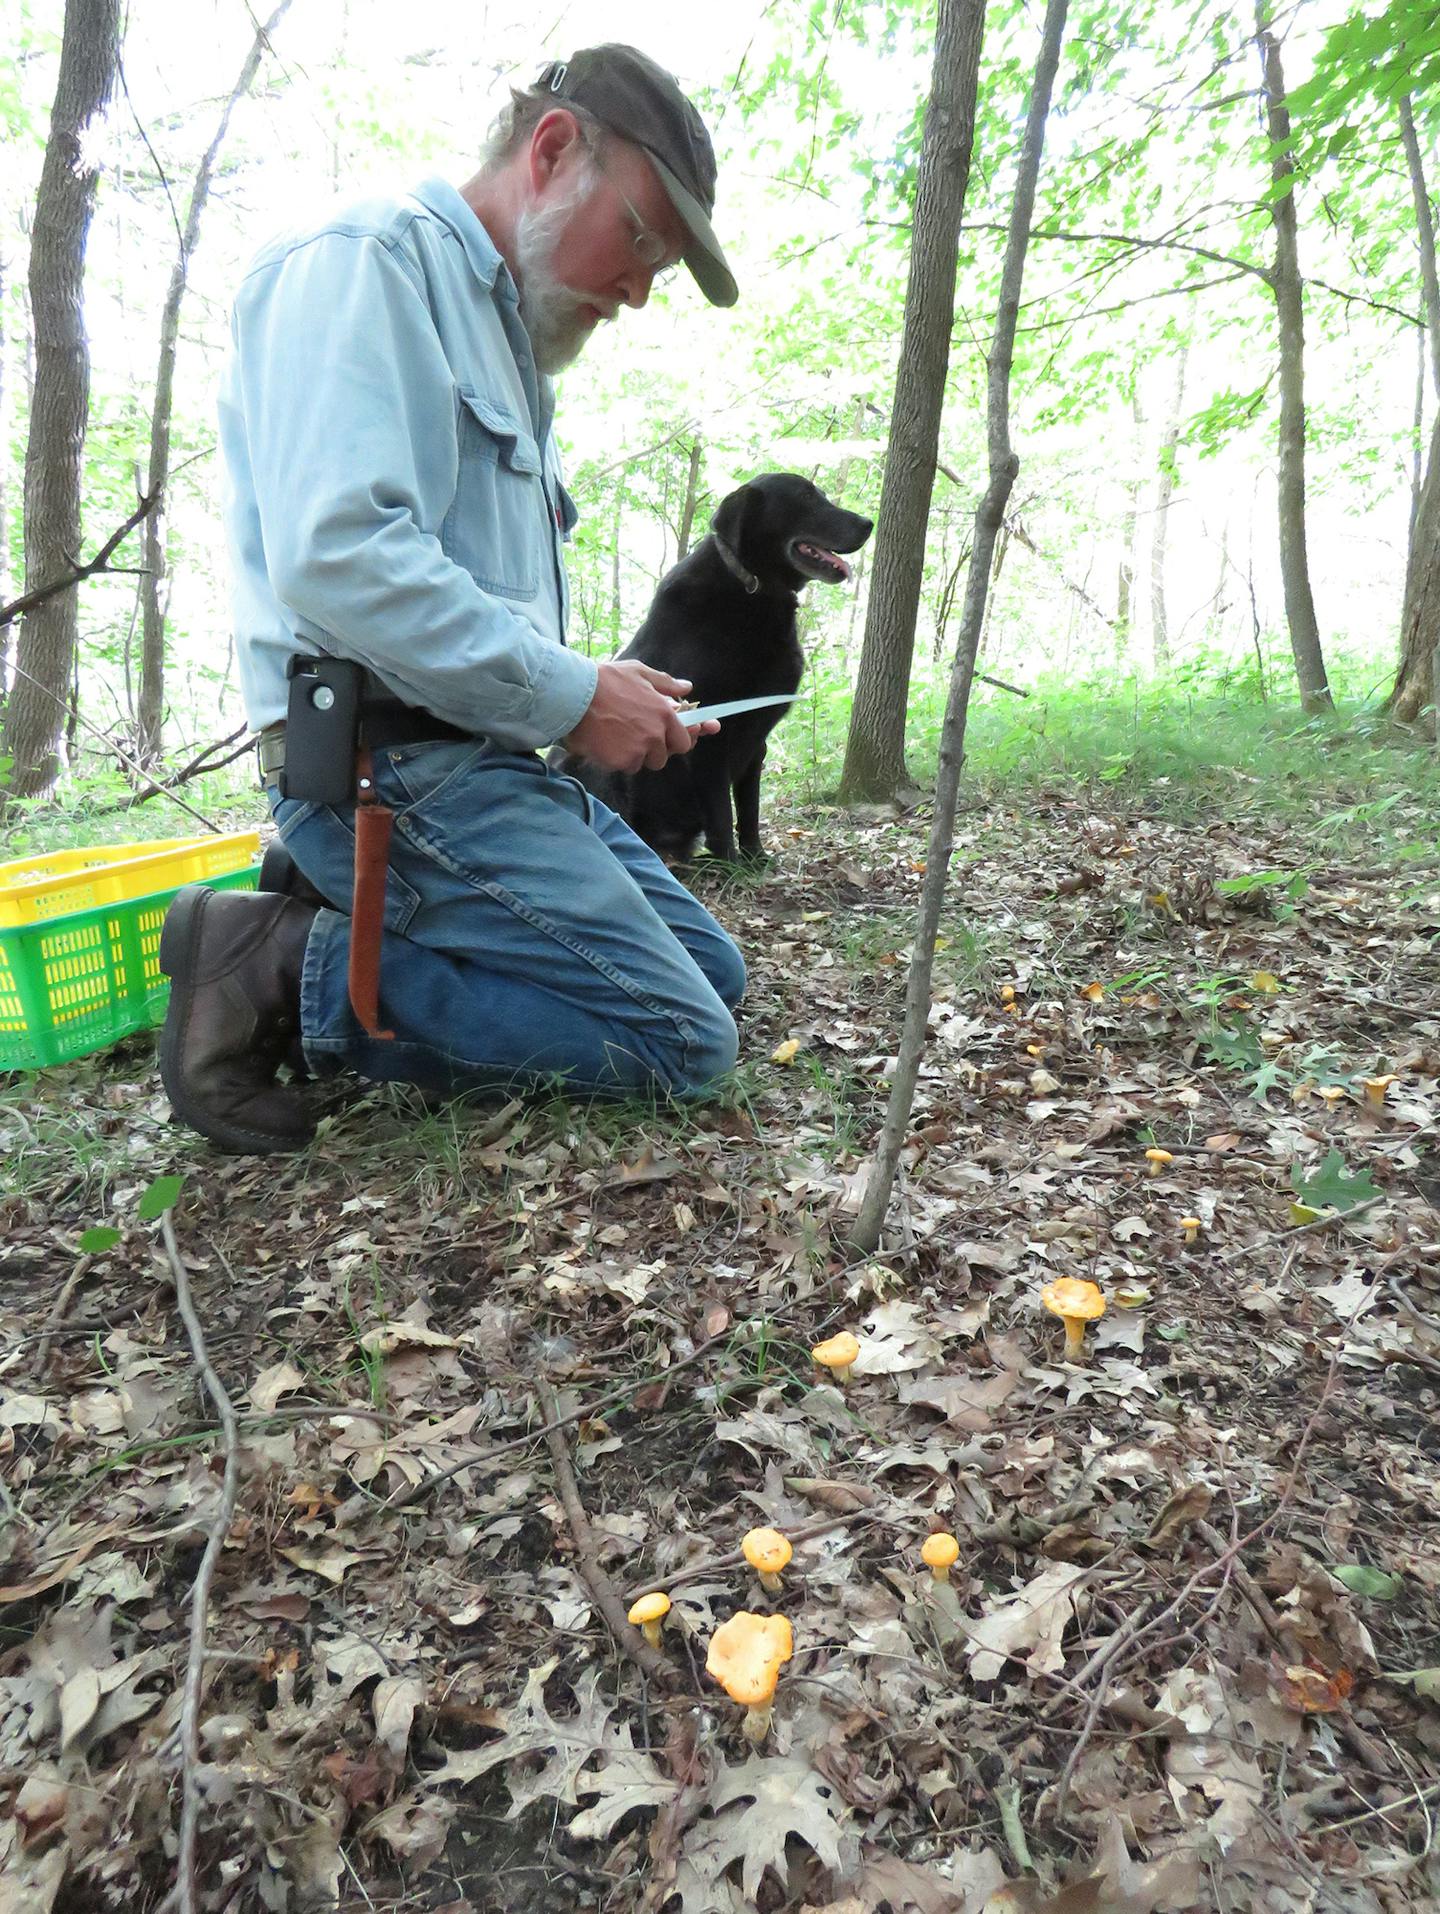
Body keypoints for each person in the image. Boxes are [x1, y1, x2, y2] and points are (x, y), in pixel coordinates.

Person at [159, 45, 747, 1155]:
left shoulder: (512, 344)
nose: (634, 292)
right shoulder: (361, 264)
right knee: (683, 1039)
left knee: (720, 975)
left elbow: (471, 601)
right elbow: (339, 558)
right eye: (637, 239)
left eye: (658, 268)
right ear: (554, 149)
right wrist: (574, 696)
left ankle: (361, 931)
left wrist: (595, 693)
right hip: (385, 774)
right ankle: (288, 965)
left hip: (475, 767)